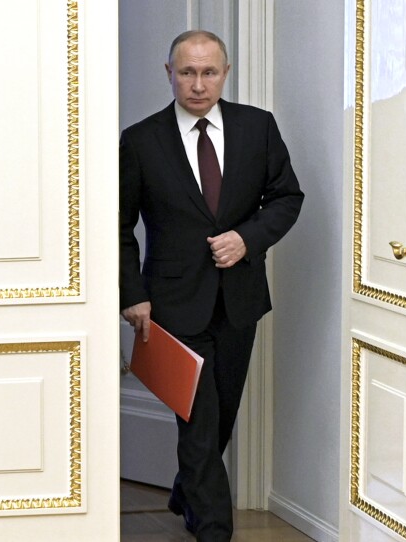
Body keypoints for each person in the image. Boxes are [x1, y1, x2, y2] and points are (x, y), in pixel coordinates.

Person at [119, 30, 304, 541]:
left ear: (226, 72)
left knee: (219, 419)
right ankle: (215, 531)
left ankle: (185, 490)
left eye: (209, 72)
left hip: (239, 300)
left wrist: (247, 239)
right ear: (169, 73)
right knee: (198, 427)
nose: (198, 84)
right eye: (187, 72)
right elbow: (118, 227)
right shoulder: (140, 139)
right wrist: (132, 294)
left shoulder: (257, 127)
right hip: (173, 304)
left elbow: (287, 197)